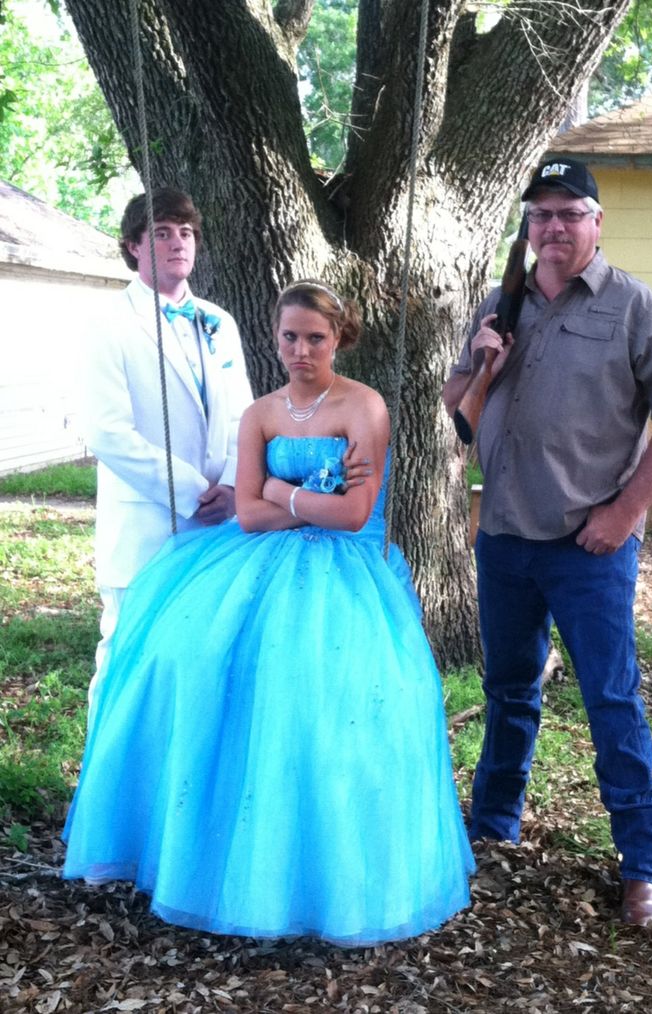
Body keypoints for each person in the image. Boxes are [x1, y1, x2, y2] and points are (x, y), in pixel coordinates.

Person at [63, 280, 475, 946]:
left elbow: (353, 514)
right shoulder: (259, 414)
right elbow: (248, 515)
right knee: (192, 656)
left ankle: (322, 875)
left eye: (315, 337)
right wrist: (296, 498)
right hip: (255, 562)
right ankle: (208, 845)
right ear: (274, 338)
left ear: (338, 338)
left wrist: (283, 494)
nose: (301, 350)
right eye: (289, 337)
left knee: (324, 694)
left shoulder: (363, 406)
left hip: (345, 576)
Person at [443, 158, 652, 931]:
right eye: (541, 215)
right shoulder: (503, 302)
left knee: (610, 698)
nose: (553, 228)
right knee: (510, 690)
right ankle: (495, 822)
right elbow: (455, 409)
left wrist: (628, 512)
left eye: (569, 213)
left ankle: (643, 865)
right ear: (527, 227)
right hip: (503, 538)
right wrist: (484, 363)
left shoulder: (631, 306)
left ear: (597, 222)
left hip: (587, 546)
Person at [79, 187, 252, 719]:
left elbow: (245, 416)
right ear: (133, 246)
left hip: (217, 530)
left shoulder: (219, 321)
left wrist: (236, 488)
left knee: (197, 664)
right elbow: (107, 432)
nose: (178, 243)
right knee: (126, 663)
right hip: (144, 528)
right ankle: (104, 793)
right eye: (161, 232)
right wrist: (195, 491)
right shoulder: (108, 323)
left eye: (186, 232)